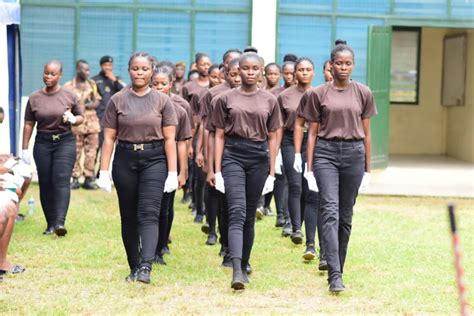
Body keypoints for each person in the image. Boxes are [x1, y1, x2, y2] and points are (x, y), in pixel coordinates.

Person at [97, 52, 178, 284]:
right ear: (129, 70)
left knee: (149, 213)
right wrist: (104, 171)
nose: (139, 73)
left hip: (155, 160)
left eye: (144, 69)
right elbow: (109, 138)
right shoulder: (118, 100)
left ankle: (146, 266)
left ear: (152, 70)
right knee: (129, 216)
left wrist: (173, 172)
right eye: (135, 68)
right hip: (125, 160)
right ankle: (134, 266)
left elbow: (170, 139)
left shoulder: (163, 101)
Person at [303, 40, 377, 292]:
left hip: (354, 154)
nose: (343, 68)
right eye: (338, 63)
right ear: (331, 65)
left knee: (345, 216)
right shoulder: (318, 94)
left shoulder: (363, 92)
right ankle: (334, 274)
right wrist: (309, 167)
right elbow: (311, 133)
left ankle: (339, 268)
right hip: (326, 153)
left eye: (348, 64)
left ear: (353, 66)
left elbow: (367, 134)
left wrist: (368, 169)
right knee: (330, 212)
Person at [212, 52, 283, 290]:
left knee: (249, 215)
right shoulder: (224, 99)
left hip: (258, 157)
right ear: (237, 71)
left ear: (261, 71)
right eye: (245, 68)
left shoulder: (270, 100)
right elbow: (219, 135)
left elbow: (273, 137)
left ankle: (244, 262)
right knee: (236, 211)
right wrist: (217, 169)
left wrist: (272, 172)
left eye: (255, 68)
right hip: (233, 154)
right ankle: (236, 270)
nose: (250, 72)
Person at [22, 60, 84, 236]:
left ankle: (59, 223)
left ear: (60, 75)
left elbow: (81, 116)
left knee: (61, 179)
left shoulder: (69, 95)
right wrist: (25, 148)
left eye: (53, 74)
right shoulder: (35, 97)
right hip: (42, 142)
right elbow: (28, 124)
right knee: (46, 182)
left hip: (64, 142)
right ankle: (50, 223)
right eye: (46, 73)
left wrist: (73, 119)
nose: (48, 77)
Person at [198, 56, 241, 248]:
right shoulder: (214, 95)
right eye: (234, 73)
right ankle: (212, 228)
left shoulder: (256, 94)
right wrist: (207, 160)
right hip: (218, 149)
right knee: (215, 191)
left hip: (240, 152)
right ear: (226, 72)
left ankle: (227, 242)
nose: (238, 78)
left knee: (232, 200)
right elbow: (208, 129)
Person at [278, 57, 319, 250]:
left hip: (312, 141)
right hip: (288, 140)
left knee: (307, 186)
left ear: (314, 73)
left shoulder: (318, 94)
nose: (304, 73)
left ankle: (301, 221)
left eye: (308, 69)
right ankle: (296, 228)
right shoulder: (285, 96)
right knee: (294, 184)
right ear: (295, 73)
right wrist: (276, 151)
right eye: (300, 69)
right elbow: (278, 125)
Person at [64, 60, 101, 190]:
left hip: (91, 123)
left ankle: (89, 179)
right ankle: (74, 178)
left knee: (91, 152)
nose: (88, 72)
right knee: (75, 152)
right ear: (78, 70)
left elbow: (97, 101)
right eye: (85, 70)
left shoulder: (92, 84)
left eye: (88, 70)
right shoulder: (68, 86)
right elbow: (65, 104)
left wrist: (86, 105)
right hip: (76, 125)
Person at [92, 55, 126, 173]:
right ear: (101, 66)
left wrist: (114, 80)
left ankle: (100, 173)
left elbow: (126, 92)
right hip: (98, 117)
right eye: (105, 65)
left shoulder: (117, 79)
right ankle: (90, 175)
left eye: (110, 65)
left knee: (108, 146)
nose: (108, 67)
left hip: (114, 119)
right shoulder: (95, 80)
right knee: (96, 146)